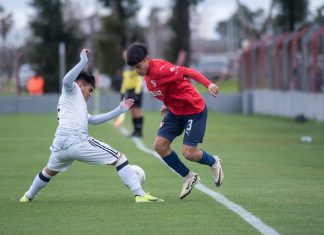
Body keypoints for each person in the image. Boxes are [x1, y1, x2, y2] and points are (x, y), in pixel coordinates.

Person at [19, 49, 163, 203]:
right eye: (90, 89)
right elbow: (67, 81)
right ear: (80, 85)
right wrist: (83, 62)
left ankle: (28, 196)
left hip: (60, 146)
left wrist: (119, 110)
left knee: (49, 171)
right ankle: (140, 195)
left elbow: (94, 120)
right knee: (120, 159)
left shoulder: (74, 103)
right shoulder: (72, 90)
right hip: (77, 141)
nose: (90, 94)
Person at [125, 43, 224, 199]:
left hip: (193, 110)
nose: (137, 71)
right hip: (175, 111)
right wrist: (167, 103)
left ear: (146, 59)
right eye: (134, 68)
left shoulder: (160, 69)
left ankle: (214, 161)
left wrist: (208, 84)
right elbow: (171, 87)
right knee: (159, 146)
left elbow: (187, 71)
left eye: (139, 66)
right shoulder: (149, 76)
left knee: (188, 153)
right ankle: (188, 177)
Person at [120, 61, 144, 137]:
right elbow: (125, 81)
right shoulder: (126, 68)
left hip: (136, 91)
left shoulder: (136, 68)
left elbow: (139, 80)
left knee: (137, 110)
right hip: (129, 91)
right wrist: (122, 92)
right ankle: (135, 131)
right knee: (132, 111)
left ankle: (139, 131)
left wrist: (137, 92)